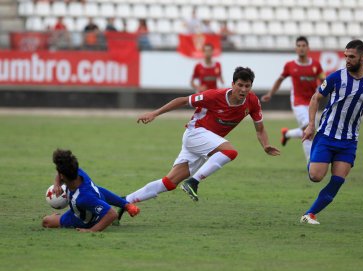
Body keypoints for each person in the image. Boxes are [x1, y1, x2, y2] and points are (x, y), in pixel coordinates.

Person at [117, 67, 280, 220]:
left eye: (247, 86)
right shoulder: (214, 96)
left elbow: (260, 129)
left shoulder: (252, 102)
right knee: (230, 152)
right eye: (240, 85)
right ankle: (193, 182)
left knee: (169, 183)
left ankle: (124, 202)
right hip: (195, 134)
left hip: (207, 142)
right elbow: (182, 101)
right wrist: (155, 113)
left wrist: (265, 145)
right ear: (232, 84)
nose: (243, 90)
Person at [300, 39, 363, 225]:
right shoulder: (336, 78)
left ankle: (310, 214)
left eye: (351, 57)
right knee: (315, 176)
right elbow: (315, 99)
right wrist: (311, 124)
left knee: (338, 180)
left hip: (349, 141)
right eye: (345, 56)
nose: (347, 60)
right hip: (327, 135)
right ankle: (313, 161)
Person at [42, 149, 139, 232]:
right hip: (94, 200)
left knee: (46, 221)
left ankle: (101, 218)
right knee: (97, 190)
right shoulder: (77, 172)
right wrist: (56, 183)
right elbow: (61, 171)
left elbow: (112, 214)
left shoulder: (83, 198)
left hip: (83, 219)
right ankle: (125, 204)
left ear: (63, 176)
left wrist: (91, 230)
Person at [261, 36, 325, 162]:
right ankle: (310, 162)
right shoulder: (290, 65)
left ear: (308, 48)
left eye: (303, 46)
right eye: (299, 46)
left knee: (310, 130)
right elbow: (280, 80)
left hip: (312, 102)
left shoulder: (316, 65)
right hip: (298, 102)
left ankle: (287, 134)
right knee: (308, 129)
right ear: (296, 48)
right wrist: (270, 93)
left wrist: (325, 92)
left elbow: (324, 81)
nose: (301, 48)